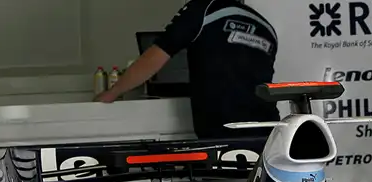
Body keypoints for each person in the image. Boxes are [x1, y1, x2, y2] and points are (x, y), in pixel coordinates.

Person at [95, 0, 280, 140]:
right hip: (267, 132)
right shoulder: (266, 27)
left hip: (224, 133)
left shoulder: (204, 9)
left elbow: (154, 56)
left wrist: (113, 92)